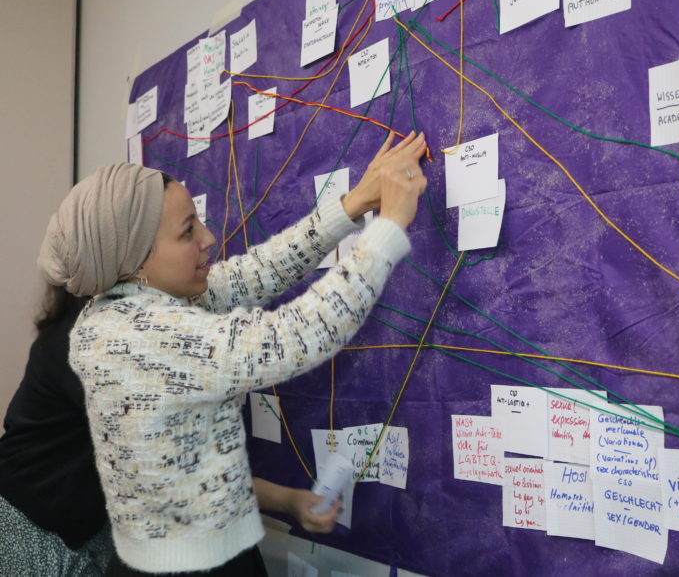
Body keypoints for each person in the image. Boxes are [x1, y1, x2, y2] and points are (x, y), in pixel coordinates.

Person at [34, 130, 427, 576]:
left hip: (203, 552)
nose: (208, 237)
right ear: (136, 261)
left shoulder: (123, 306)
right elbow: (298, 334)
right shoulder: (140, 337)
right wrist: (389, 226)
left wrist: (352, 205)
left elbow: (256, 272)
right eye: (187, 232)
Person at [0, 285, 341, 576]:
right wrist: (289, 500)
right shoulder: (96, 344)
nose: (206, 241)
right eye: (185, 232)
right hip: (36, 532)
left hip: (85, 525)